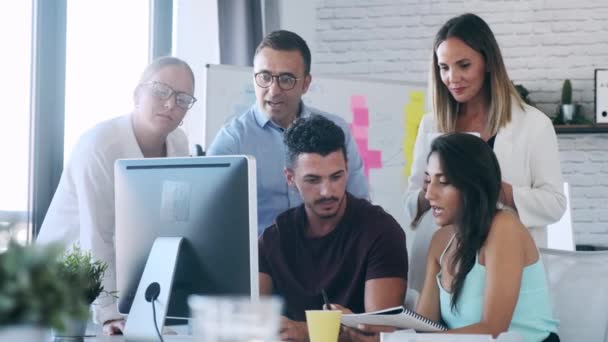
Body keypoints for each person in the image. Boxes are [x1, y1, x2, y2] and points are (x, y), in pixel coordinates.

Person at [405, 13, 566, 292]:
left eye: (463, 65)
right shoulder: (432, 124)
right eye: (444, 67)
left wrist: (494, 189)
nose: (452, 78)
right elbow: (411, 200)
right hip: (444, 263)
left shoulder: (534, 125)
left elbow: (554, 204)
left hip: (503, 265)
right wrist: (431, 191)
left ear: (488, 62)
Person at [36, 56, 197, 335]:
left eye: (183, 99)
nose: (171, 104)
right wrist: (110, 314)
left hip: (121, 288)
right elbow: (97, 236)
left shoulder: (179, 143)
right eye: (161, 91)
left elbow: (170, 224)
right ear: (137, 94)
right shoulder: (99, 145)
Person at [258, 115, 407, 342]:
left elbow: (379, 335)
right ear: (290, 178)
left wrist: (306, 331)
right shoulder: (273, 239)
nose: (327, 191)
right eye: (313, 180)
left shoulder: (382, 232)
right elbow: (251, 324)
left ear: (347, 169)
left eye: (336, 177)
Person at [207, 30, 369, 234]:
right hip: (263, 262)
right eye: (265, 77)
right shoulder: (232, 141)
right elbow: (210, 218)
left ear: (306, 84)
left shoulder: (336, 132)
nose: (273, 90)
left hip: (329, 259)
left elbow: (359, 204)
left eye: (286, 79)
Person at [412, 133, 559, 341]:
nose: (429, 194)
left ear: (473, 186)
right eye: (428, 180)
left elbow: (493, 330)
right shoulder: (440, 242)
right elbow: (424, 328)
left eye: (443, 182)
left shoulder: (504, 228)